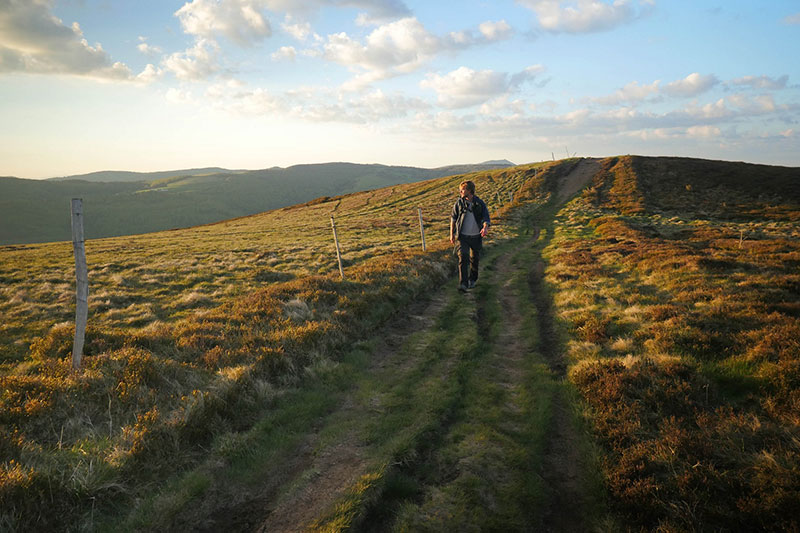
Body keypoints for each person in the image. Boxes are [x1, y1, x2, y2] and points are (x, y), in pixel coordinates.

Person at [450, 180, 490, 292]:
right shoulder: (458, 203)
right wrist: (452, 234)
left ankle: (472, 280)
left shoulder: (479, 203)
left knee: (474, 259)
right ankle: (463, 283)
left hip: (476, 236)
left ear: (469, 191)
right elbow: (453, 219)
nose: (460, 192)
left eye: (462, 190)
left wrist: (485, 227)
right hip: (462, 237)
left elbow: (486, 218)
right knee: (463, 257)